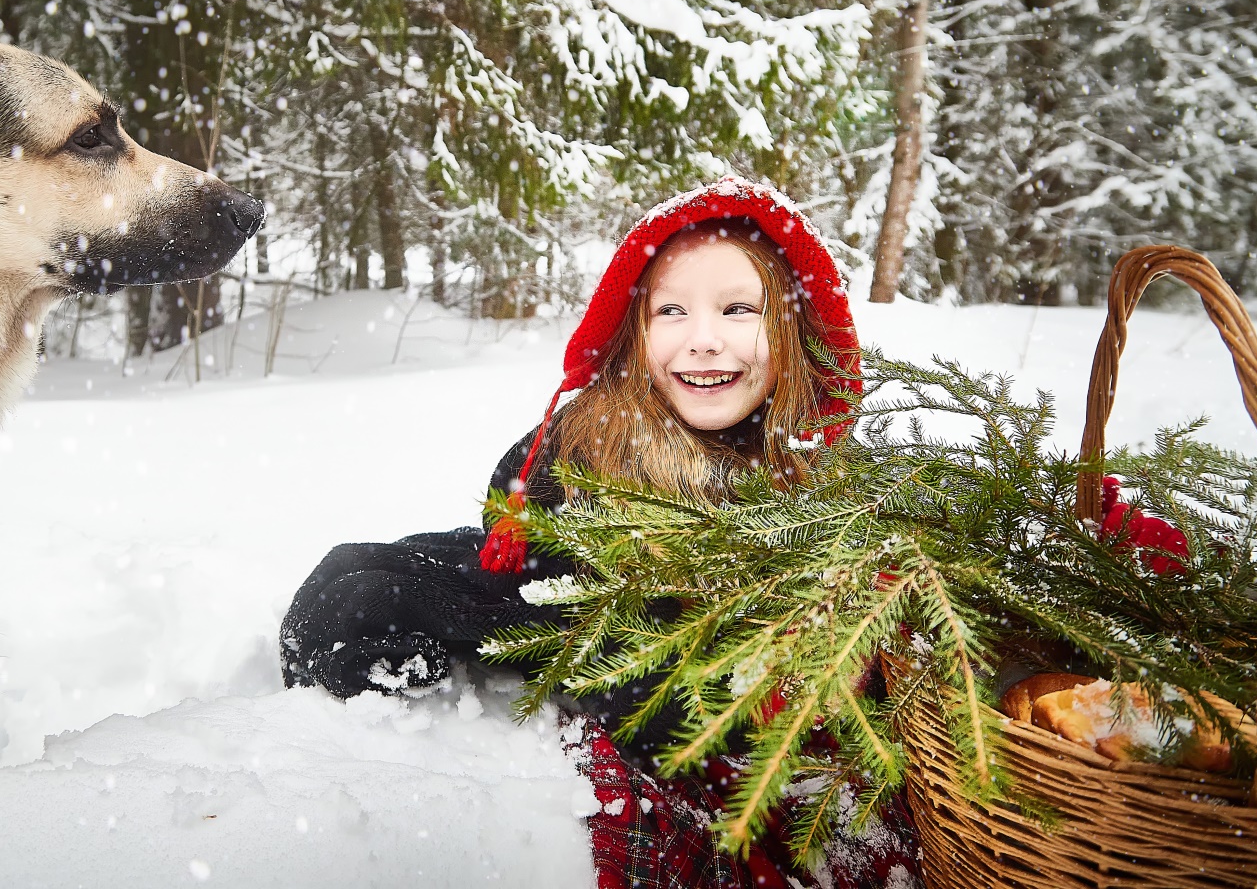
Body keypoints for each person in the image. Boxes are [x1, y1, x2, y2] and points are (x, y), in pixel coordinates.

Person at [280, 177, 919, 889]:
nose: (703, 340)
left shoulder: (825, 480)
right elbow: (550, 591)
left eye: (738, 309)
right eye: (671, 310)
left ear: (793, 332)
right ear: (636, 328)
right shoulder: (592, 454)